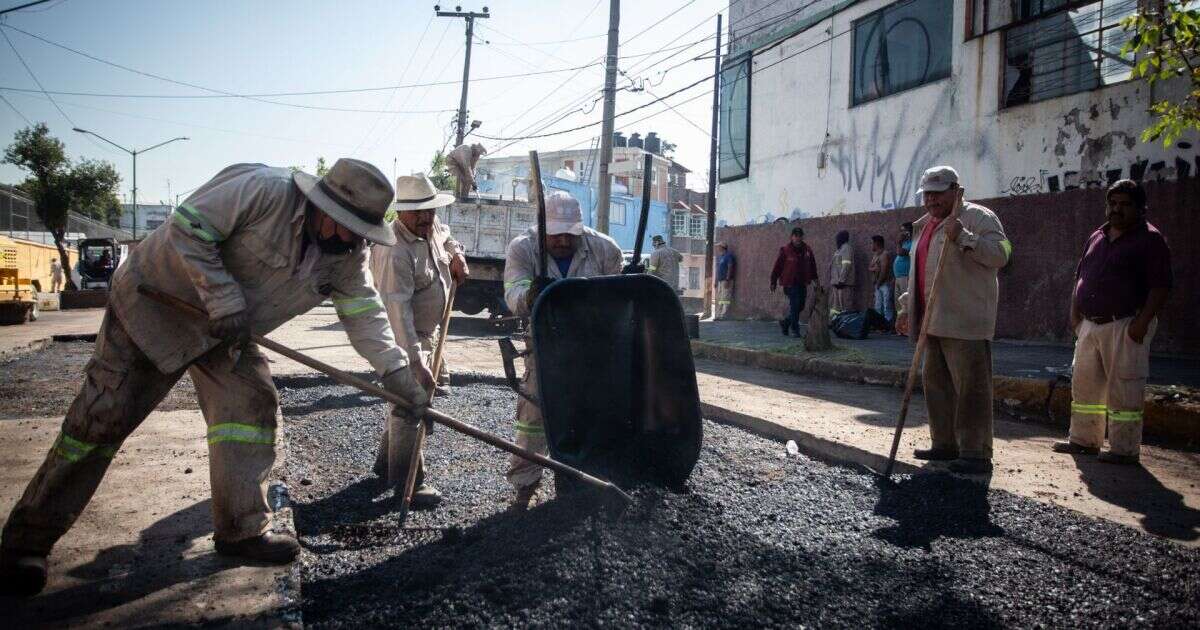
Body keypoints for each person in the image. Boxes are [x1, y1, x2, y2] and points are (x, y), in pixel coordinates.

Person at [0, 160, 430, 597]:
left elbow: (364, 314)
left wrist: (397, 376)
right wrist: (223, 299)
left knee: (251, 410)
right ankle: (24, 544)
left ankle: (241, 530)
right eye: (348, 226)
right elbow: (188, 228)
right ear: (323, 207)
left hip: (225, 334)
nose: (354, 238)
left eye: (362, 231)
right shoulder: (263, 191)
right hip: (157, 307)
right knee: (98, 423)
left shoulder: (347, 254)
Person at [502, 190, 623, 510]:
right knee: (533, 418)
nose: (563, 242)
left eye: (570, 235)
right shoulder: (522, 249)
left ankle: (582, 485)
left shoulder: (604, 249)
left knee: (589, 415)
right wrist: (531, 297)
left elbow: (617, 300)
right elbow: (513, 294)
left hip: (590, 349)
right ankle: (524, 489)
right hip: (544, 348)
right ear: (543, 230)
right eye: (555, 235)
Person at [896, 166, 1012, 475]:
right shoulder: (924, 226)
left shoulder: (979, 218)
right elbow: (920, 273)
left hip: (965, 320)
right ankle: (944, 444)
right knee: (937, 386)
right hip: (931, 321)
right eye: (927, 194)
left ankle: (975, 452)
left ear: (955, 191)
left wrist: (964, 237)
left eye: (938, 192)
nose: (931, 199)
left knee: (970, 389)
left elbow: (1002, 255)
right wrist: (907, 307)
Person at [1053, 179, 1172, 464]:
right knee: (1085, 388)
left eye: (1125, 204)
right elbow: (1080, 276)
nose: (1117, 209)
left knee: (1124, 388)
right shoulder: (1097, 236)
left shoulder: (1150, 239)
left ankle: (1124, 450)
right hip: (1089, 325)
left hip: (1126, 324)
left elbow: (1161, 286)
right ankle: (1084, 441)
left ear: (1140, 208)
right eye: (1113, 203)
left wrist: (1142, 322)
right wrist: (1075, 316)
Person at [369, 174, 470, 506]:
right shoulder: (393, 251)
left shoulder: (432, 226)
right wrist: (416, 360)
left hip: (429, 332)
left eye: (430, 210)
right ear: (401, 212)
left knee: (405, 404)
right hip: (403, 339)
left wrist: (456, 255)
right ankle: (407, 484)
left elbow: (448, 237)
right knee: (411, 405)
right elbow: (397, 314)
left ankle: (385, 464)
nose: (427, 217)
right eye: (419, 212)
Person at [769, 227, 819, 337]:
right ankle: (795, 330)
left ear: (802, 237)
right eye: (795, 236)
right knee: (795, 305)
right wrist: (773, 282)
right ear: (791, 237)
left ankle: (786, 322)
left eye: (800, 236)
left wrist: (816, 280)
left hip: (803, 282)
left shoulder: (807, 250)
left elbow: (812, 266)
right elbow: (777, 267)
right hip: (790, 283)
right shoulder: (785, 250)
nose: (798, 238)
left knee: (800, 306)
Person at [869, 235, 895, 327]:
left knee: (887, 304)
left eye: (872, 243)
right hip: (878, 284)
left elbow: (884, 270)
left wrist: (879, 282)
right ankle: (879, 325)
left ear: (877, 243)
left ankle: (888, 325)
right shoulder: (875, 255)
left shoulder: (885, 254)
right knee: (878, 305)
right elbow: (870, 267)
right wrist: (875, 269)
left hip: (885, 284)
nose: (871, 245)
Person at [829, 230, 855, 315]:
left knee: (845, 307)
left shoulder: (846, 248)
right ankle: (835, 324)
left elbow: (846, 265)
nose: (836, 240)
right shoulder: (839, 250)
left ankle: (846, 327)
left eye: (838, 238)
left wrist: (841, 281)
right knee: (835, 308)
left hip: (843, 284)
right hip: (837, 284)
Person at [894, 222, 913, 323]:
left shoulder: (912, 243)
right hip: (898, 276)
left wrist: (898, 242)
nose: (902, 233)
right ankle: (900, 324)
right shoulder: (905, 243)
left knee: (906, 302)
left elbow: (900, 253)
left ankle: (908, 325)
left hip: (906, 276)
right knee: (898, 304)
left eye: (904, 231)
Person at [714, 242, 735, 319]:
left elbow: (730, 267)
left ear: (722, 247)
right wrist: (716, 281)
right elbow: (718, 269)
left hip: (726, 281)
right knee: (720, 298)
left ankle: (724, 315)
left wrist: (727, 279)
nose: (718, 248)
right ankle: (718, 315)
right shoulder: (721, 256)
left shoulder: (728, 256)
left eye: (719, 247)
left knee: (725, 298)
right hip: (720, 281)